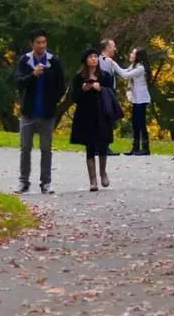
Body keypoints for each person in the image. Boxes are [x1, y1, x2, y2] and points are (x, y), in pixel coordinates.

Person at [15, 29, 65, 194]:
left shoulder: (54, 61)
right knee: (25, 148)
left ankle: (46, 182)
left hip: (47, 112)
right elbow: (18, 82)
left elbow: (61, 86)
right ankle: (23, 181)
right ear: (32, 44)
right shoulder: (25, 61)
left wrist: (53, 101)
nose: (42, 45)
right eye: (38, 42)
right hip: (28, 112)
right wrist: (33, 75)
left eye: (44, 42)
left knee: (46, 149)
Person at [69, 46, 116, 190]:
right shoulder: (79, 77)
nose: (94, 59)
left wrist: (100, 88)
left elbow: (112, 93)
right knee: (90, 146)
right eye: (90, 57)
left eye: (95, 56)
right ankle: (93, 180)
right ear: (85, 60)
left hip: (102, 113)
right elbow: (74, 97)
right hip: (86, 114)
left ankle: (103, 173)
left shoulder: (106, 76)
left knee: (103, 144)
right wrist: (83, 89)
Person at [117, 47, 151, 155]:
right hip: (136, 100)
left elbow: (124, 75)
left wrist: (112, 63)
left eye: (133, 53)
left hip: (142, 99)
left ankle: (145, 148)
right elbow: (123, 71)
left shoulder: (140, 68)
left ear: (138, 56)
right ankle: (135, 147)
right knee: (135, 123)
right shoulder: (133, 66)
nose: (131, 54)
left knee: (141, 123)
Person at [98, 39, 125, 155]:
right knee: (107, 119)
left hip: (101, 92)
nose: (114, 48)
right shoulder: (107, 62)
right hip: (106, 92)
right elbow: (123, 74)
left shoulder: (98, 60)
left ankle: (98, 146)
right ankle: (104, 147)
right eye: (113, 46)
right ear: (107, 47)